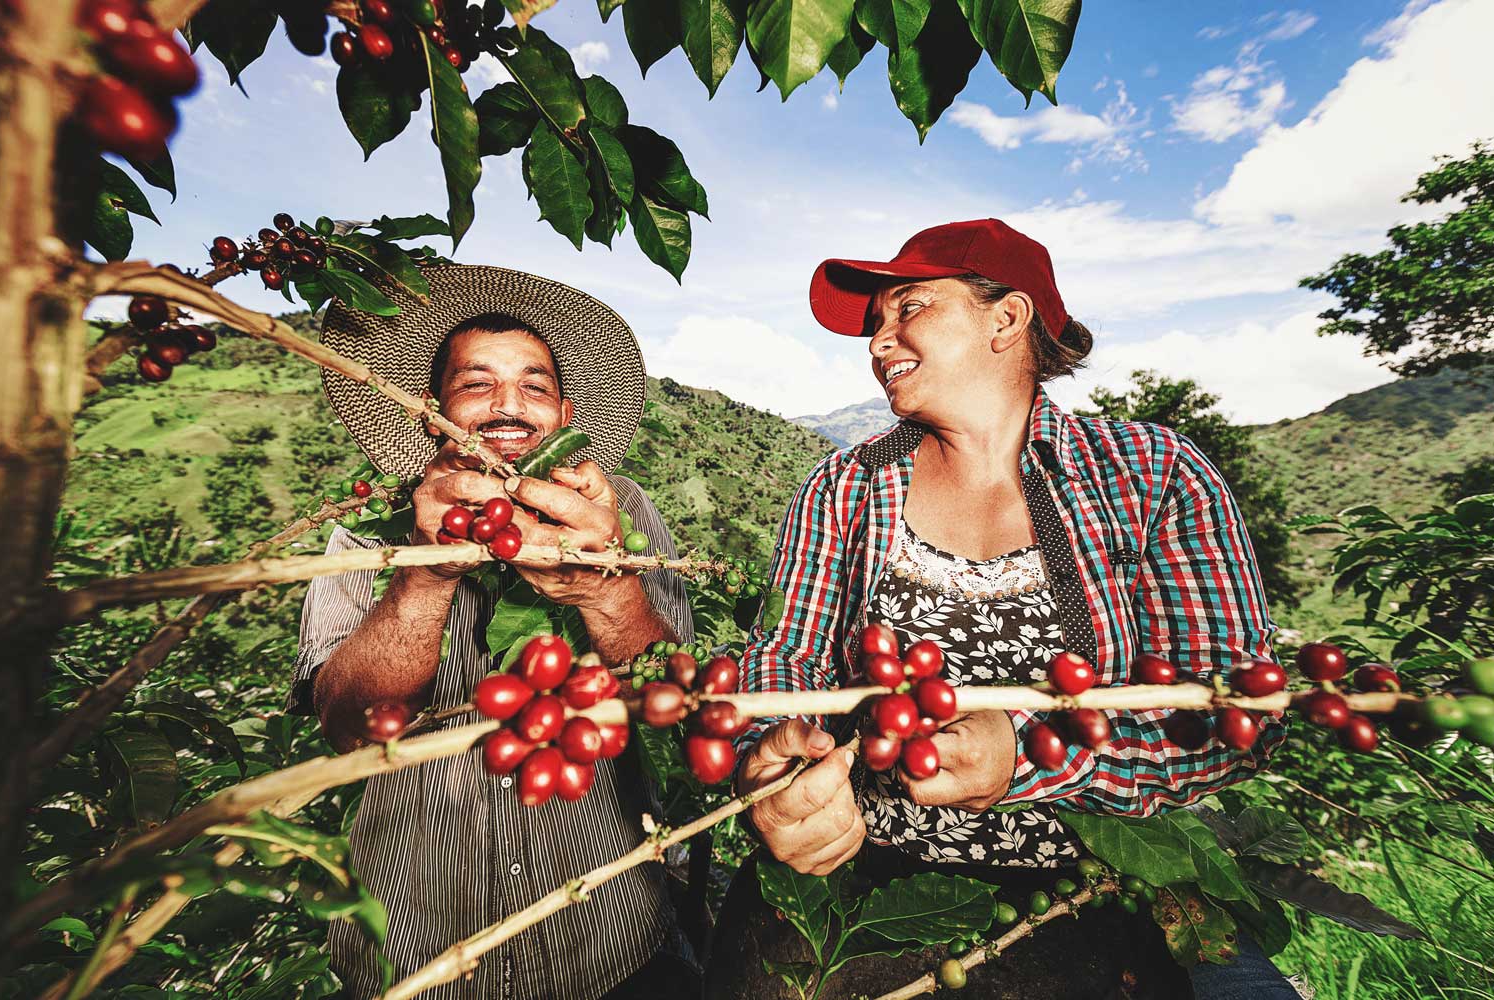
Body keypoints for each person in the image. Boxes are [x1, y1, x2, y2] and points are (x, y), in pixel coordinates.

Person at [712, 220, 1300, 999]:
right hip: (867, 887)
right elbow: (784, 660)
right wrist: (772, 759)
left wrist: (1033, 755)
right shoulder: (844, 486)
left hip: (1087, 891)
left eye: (908, 307)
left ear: (1006, 318)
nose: (879, 339)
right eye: (876, 322)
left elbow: (1239, 711)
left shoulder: (1155, 476)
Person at [290, 265, 700, 1000]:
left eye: (535, 386)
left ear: (565, 413)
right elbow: (348, 725)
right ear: (430, 412)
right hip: (416, 954)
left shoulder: (620, 510)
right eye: (475, 384)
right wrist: (424, 574)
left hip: (604, 937)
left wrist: (605, 592)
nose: (508, 405)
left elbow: (676, 696)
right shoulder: (367, 534)